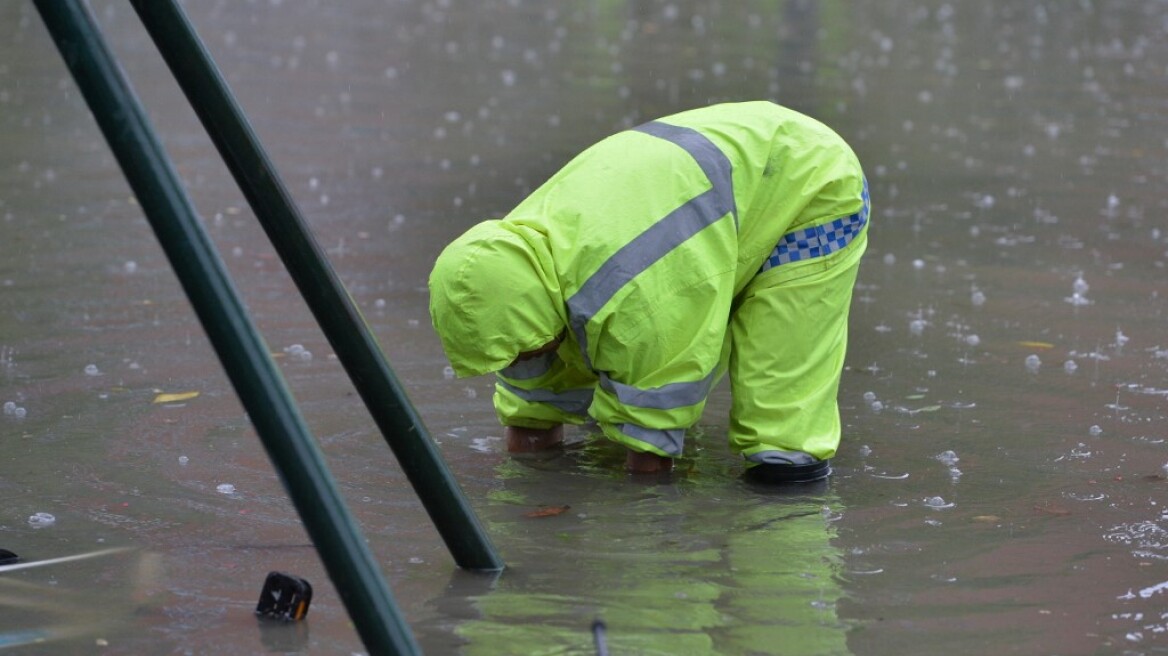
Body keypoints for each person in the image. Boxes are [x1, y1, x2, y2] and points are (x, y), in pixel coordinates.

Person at [428, 101, 869, 483]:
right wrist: (530, 459)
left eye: (519, 354)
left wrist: (642, 519)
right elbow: (533, 390)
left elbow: (653, 430)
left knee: (779, 412)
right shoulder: (513, 258)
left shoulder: (636, 298)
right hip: (722, 178)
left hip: (807, 179)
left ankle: (789, 516)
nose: (516, 363)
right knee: (595, 365)